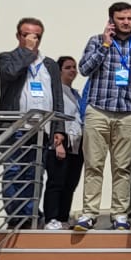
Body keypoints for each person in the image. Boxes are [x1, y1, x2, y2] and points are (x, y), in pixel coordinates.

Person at [75, 1, 131, 231]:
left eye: (130, 18)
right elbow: (84, 69)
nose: (126, 22)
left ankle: (119, 214)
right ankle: (89, 213)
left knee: (122, 167)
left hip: (128, 114)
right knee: (94, 164)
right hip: (98, 110)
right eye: (121, 19)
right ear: (111, 20)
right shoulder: (96, 41)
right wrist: (105, 45)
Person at [0, 17, 67, 227]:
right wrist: (27, 51)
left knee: (34, 173)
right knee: (15, 171)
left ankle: (29, 215)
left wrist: (58, 128)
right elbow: (10, 73)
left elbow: (57, 96)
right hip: (15, 127)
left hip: (40, 129)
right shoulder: (6, 58)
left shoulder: (49, 64)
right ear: (18, 36)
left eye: (37, 36)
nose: (33, 39)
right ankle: (16, 216)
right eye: (27, 35)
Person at [43, 56, 84, 229]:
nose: (72, 70)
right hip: (61, 138)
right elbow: (54, 117)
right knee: (56, 181)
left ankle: (63, 216)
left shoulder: (76, 94)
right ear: (59, 71)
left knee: (70, 183)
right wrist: (57, 143)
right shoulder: (55, 92)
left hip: (76, 141)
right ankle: (51, 217)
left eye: (74, 67)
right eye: (68, 67)